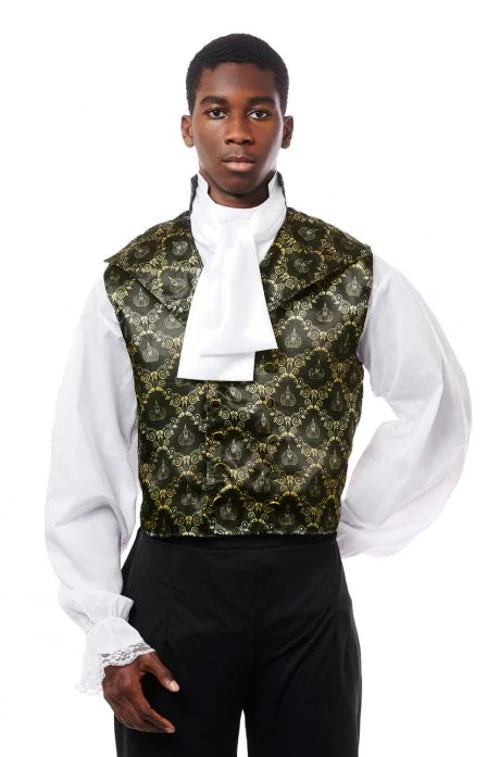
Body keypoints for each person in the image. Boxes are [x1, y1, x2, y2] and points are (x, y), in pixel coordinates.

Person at [44, 32, 472, 757]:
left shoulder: (351, 270)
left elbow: (435, 407)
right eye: (217, 111)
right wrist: (107, 632)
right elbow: (86, 455)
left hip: (306, 592)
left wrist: (351, 524)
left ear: (287, 127)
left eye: (259, 111)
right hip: (172, 589)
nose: (238, 132)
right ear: (188, 127)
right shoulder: (131, 279)